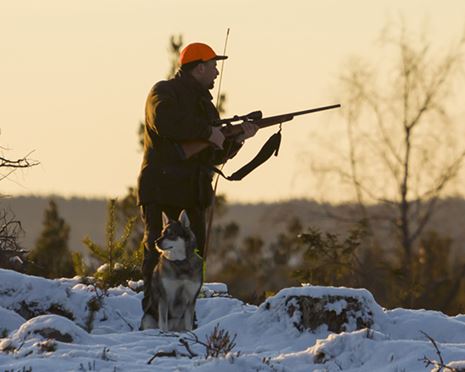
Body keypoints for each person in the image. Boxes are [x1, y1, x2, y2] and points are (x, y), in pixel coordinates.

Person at [136, 42, 258, 326]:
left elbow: (213, 154)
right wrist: (208, 132)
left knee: (194, 260)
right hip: (162, 189)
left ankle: (185, 321)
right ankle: (154, 320)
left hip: (192, 193)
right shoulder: (162, 92)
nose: (217, 72)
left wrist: (237, 139)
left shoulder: (206, 106)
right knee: (157, 258)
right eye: (213, 66)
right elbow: (165, 121)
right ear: (199, 67)